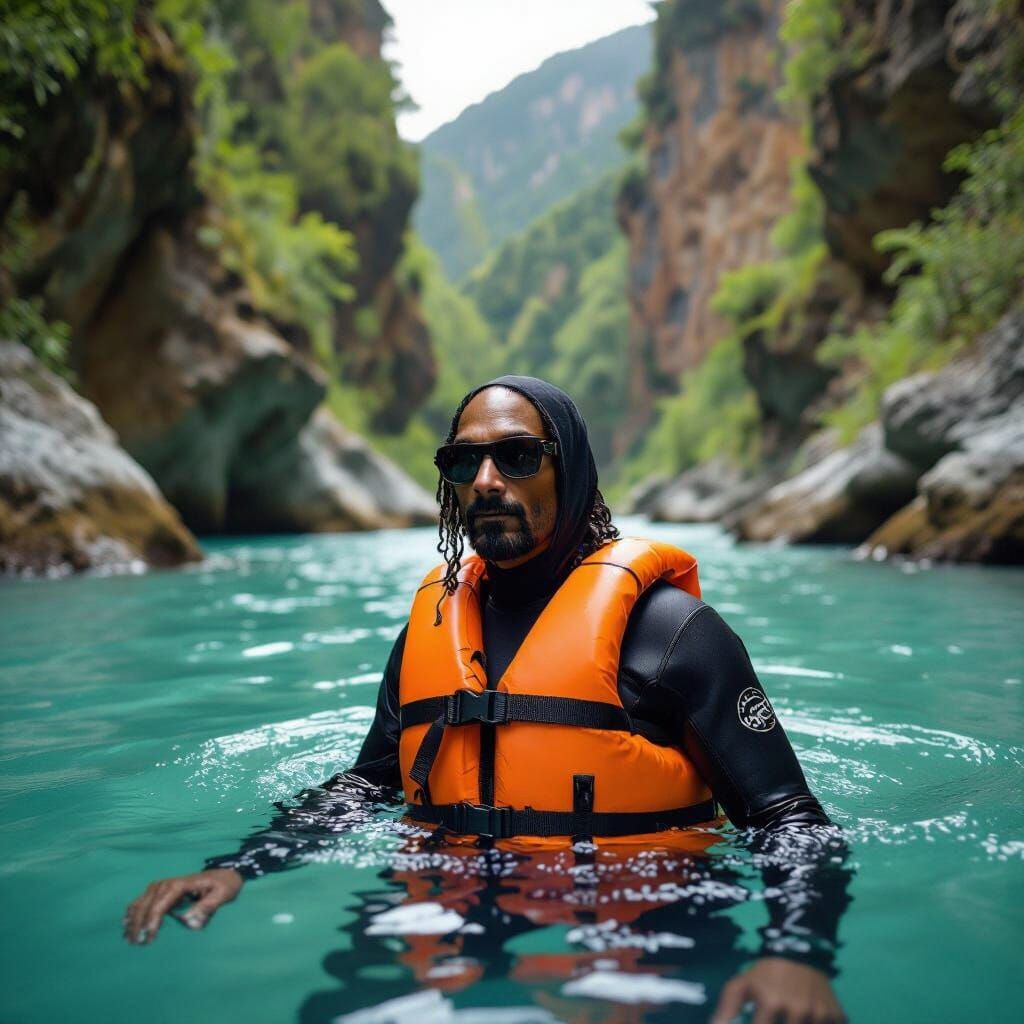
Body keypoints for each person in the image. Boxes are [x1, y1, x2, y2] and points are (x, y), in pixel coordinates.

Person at [125, 376, 850, 1023]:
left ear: (569, 469)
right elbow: (367, 784)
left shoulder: (672, 632)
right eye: (462, 462)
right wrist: (241, 864)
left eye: (518, 456)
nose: (486, 479)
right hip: (444, 903)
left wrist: (797, 950)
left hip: (644, 918)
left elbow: (788, 821)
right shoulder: (430, 633)